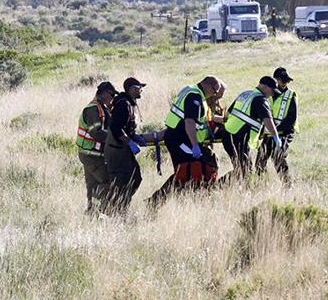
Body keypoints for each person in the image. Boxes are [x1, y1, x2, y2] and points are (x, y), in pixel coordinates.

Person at [148, 77, 222, 206]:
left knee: (194, 167)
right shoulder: (195, 97)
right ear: (208, 85)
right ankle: (156, 201)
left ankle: (181, 199)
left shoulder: (192, 91)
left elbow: (202, 118)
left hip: (180, 138)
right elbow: (189, 121)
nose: (214, 95)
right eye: (215, 91)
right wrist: (194, 145)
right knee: (187, 170)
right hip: (180, 139)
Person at [220, 77, 282, 183]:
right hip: (238, 139)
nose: (272, 94)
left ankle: (231, 187)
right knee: (244, 170)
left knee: (244, 168)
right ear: (264, 87)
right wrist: (276, 137)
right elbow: (268, 121)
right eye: (271, 91)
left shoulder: (245, 94)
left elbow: (228, 114)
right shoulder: (260, 100)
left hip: (229, 135)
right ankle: (217, 186)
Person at [105, 77, 146, 214]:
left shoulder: (129, 103)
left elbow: (127, 128)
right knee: (122, 182)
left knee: (135, 178)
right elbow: (116, 128)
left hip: (122, 150)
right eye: (139, 87)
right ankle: (115, 211)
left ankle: (120, 208)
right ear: (132, 89)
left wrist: (136, 138)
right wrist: (130, 142)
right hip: (117, 151)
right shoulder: (124, 104)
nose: (141, 90)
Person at [76, 81, 117, 215]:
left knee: (92, 186)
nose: (112, 98)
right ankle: (103, 210)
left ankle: (92, 213)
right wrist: (115, 138)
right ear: (104, 93)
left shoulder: (101, 108)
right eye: (111, 95)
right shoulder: (93, 109)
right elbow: (95, 132)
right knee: (108, 181)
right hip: (91, 155)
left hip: (90, 154)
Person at [255, 67, 298, 183]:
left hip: (285, 132)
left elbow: (292, 118)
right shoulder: (267, 94)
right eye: (282, 80)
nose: (285, 83)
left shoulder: (291, 95)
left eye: (287, 81)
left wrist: (276, 130)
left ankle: (287, 184)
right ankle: (261, 183)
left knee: (277, 155)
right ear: (276, 80)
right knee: (261, 158)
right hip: (270, 132)